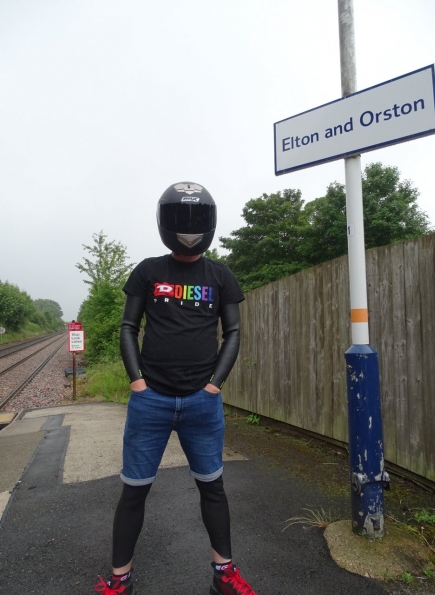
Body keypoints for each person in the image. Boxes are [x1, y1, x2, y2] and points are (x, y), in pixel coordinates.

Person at [94, 182, 258, 595]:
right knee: (133, 492)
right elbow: (129, 327)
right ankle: (120, 580)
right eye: (181, 219)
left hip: (202, 405)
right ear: (166, 222)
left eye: (196, 219)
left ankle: (224, 575)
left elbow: (233, 332)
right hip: (151, 402)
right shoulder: (149, 271)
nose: (189, 227)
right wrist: (137, 382)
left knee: (213, 489)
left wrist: (214, 386)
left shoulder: (220, 275)